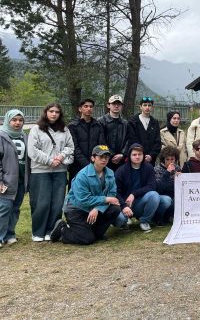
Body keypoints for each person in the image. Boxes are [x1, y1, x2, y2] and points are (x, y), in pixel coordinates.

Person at [49, 145, 124, 245]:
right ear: (93, 158)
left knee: (115, 209)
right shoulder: (82, 175)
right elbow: (83, 199)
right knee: (87, 239)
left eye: (106, 157)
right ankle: (63, 230)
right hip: (76, 209)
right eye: (101, 157)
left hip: (94, 207)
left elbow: (112, 194)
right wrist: (105, 199)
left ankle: (96, 233)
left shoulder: (110, 173)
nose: (104, 160)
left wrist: (97, 208)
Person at [27, 103, 74, 242]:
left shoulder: (64, 129)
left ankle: (51, 230)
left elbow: (70, 147)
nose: (54, 114)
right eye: (51, 111)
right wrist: (49, 161)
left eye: (57, 112)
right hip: (40, 171)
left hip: (60, 170)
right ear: (46, 112)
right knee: (41, 202)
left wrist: (61, 157)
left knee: (57, 203)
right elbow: (32, 150)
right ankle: (38, 232)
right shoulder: (36, 129)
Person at [115, 143, 171, 232]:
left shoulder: (148, 168)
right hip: (126, 203)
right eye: (134, 154)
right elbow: (116, 192)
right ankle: (124, 222)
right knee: (120, 218)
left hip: (142, 201)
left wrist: (134, 194)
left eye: (139, 154)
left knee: (165, 199)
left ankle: (145, 220)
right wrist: (123, 206)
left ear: (143, 155)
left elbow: (152, 186)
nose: (137, 157)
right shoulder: (121, 170)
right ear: (129, 156)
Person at [0, 110, 28, 246]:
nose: (17, 123)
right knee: (4, 208)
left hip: (21, 180)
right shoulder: (1, 136)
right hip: (6, 180)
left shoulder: (24, 136)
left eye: (20, 120)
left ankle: (10, 234)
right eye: (14, 120)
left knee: (15, 209)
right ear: (8, 120)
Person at [68, 98, 106, 184]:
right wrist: (86, 164)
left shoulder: (98, 125)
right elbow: (74, 147)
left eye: (91, 107)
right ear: (80, 109)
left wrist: (95, 162)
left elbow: (101, 145)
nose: (89, 108)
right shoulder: (73, 126)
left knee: (93, 188)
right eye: (86, 106)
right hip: (77, 166)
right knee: (76, 188)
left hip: (95, 164)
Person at [126, 97, 162, 164]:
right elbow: (132, 140)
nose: (147, 107)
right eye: (145, 105)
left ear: (152, 107)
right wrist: (140, 154)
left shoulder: (155, 122)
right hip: (136, 158)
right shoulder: (133, 122)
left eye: (149, 105)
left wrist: (151, 155)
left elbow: (157, 142)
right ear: (140, 107)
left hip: (150, 160)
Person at [98, 95, 128, 171]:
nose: (116, 106)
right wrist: (111, 155)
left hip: (121, 160)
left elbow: (128, 140)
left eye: (119, 104)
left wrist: (122, 154)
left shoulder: (125, 123)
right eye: (114, 103)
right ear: (108, 105)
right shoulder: (101, 121)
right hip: (105, 158)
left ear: (122, 106)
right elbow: (101, 140)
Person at [154, 146, 181, 224]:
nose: (170, 162)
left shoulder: (177, 168)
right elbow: (160, 188)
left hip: (173, 196)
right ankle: (158, 218)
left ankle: (171, 216)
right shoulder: (157, 169)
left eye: (172, 159)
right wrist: (167, 172)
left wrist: (179, 179)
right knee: (167, 200)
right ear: (163, 159)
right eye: (167, 159)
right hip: (162, 197)